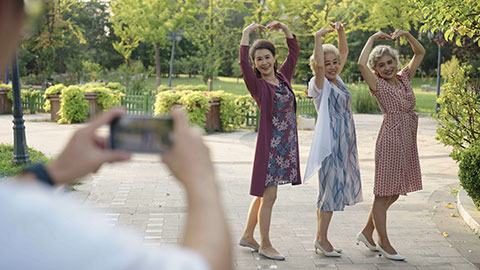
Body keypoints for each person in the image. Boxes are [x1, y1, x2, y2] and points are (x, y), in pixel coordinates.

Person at [0, 1, 232, 269]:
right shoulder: (41, 231)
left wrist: (50, 173)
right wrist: (202, 180)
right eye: (29, 7)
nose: (24, 30)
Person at [357, 29, 425, 261]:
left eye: (390, 62)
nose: (387, 67)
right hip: (390, 139)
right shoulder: (377, 84)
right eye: (381, 65)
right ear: (376, 69)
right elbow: (360, 64)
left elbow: (420, 51)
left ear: (396, 62)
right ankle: (383, 242)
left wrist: (406, 34)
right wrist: (371, 39)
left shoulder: (404, 77)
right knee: (383, 192)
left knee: (394, 191)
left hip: (407, 139)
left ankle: (367, 231)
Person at [238, 21, 301, 260]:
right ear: (255, 64)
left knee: (264, 195)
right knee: (270, 196)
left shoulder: (284, 78)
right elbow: (242, 63)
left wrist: (286, 29)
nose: (264, 62)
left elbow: (294, 52)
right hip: (270, 149)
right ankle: (265, 244)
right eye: (259, 59)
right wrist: (246, 34)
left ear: (274, 59)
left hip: (286, 147)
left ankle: (247, 235)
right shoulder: (258, 85)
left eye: (267, 57)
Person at [304, 22, 362, 257]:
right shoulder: (320, 84)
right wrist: (318, 37)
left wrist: (340, 32)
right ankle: (322, 239)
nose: (332, 66)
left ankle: (321, 238)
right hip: (330, 145)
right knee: (330, 192)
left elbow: (344, 53)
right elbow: (319, 66)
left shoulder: (338, 79)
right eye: (326, 63)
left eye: (334, 62)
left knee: (329, 190)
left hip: (344, 145)